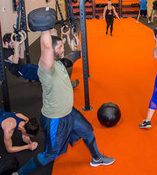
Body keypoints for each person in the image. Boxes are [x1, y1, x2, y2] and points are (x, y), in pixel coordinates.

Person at [16, 28, 114, 175]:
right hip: (55, 118)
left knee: (87, 130)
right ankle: (20, 173)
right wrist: (44, 30)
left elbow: (80, 52)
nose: (63, 49)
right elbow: (47, 47)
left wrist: (72, 36)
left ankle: (96, 157)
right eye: (60, 46)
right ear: (51, 50)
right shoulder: (45, 69)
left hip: (69, 112)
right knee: (50, 154)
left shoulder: (61, 63)